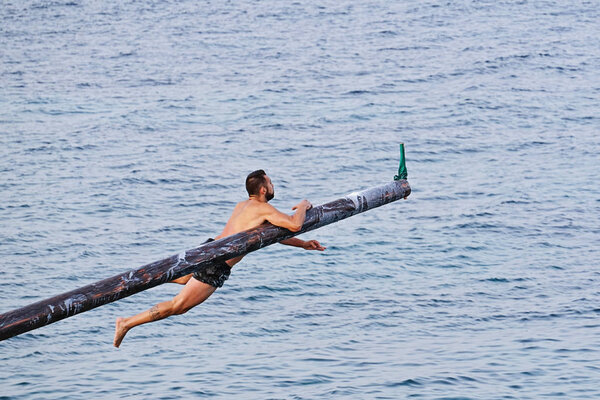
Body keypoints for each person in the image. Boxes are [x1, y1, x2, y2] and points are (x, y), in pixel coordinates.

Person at [113, 170, 325, 347]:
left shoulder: (243, 205)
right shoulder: (262, 208)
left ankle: (139, 280)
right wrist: (303, 206)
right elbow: (294, 224)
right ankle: (126, 323)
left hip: (209, 247)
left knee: (183, 278)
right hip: (219, 261)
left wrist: (303, 244)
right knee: (179, 306)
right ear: (263, 189)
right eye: (270, 183)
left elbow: (271, 235)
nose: (273, 186)